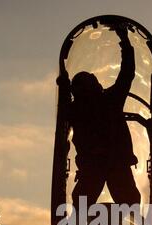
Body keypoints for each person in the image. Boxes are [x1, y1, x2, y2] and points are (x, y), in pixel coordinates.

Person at [58, 27, 141, 208]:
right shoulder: (109, 99)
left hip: (103, 166)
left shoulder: (75, 109)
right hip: (106, 166)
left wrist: (125, 42)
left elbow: (127, 73)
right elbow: (128, 73)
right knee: (129, 208)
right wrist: (124, 40)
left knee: (83, 210)